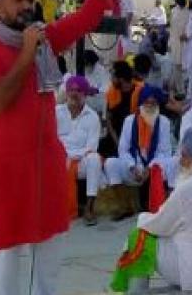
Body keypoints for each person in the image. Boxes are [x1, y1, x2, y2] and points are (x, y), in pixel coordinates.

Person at [0, 0, 111, 295]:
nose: (27, 6)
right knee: (7, 253)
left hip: (47, 164)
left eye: (31, 0)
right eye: (18, 0)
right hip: (7, 167)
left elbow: (91, 13)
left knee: (50, 251)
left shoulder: (47, 41)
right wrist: (27, 53)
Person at [110, 129, 192, 292]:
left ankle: (136, 292)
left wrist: (142, 218)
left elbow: (159, 225)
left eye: (184, 156)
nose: (180, 161)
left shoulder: (190, 187)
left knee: (139, 235)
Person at [104, 85, 174, 220]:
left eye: (153, 103)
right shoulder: (129, 121)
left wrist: (149, 167)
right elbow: (123, 149)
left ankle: (161, 206)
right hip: (134, 167)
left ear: (157, 104)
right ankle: (124, 206)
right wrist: (132, 166)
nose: (149, 106)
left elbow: (165, 151)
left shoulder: (164, 122)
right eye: (146, 102)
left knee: (172, 162)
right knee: (111, 163)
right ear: (141, 103)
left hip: (154, 167)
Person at [55, 75, 103, 226]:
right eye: (71, 90)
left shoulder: (92, 116)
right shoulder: (56, 112)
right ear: (67, 92)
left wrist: (72, 157)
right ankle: (50, 209)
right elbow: (49, 139)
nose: (74, 94)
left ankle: (89, 208)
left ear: (85, 94)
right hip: (59, 158)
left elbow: (91, 147)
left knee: (94, 159)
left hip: (80, 160)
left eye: (78, 91)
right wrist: (65, 156)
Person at [102, 61, 143, 158]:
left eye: (113, 76)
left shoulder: (141, 91)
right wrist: (119, 144)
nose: (111, 79)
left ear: (121, 79)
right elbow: (109, 121)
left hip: (137, 140)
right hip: (114, 139)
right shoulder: (112, 92)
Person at [167, 0, 189, 94]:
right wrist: (169, 43)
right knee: (176, 65)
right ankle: (177, 89)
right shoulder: (174, 11)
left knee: (180, 67)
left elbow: (189, 28)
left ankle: (180, 89)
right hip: (174, 41)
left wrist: (186, 35)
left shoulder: (188, 12)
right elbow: (171, 28)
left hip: (184, 42)